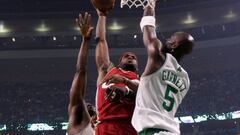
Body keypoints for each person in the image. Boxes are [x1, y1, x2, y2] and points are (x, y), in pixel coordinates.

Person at [131, 5, 195, 135]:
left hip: (152, 130)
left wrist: (150, 4)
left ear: (174, 45)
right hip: (172, 131)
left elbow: (148, 26)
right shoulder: (185, 79)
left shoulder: (158, 58)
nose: (167, 39)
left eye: (171, 38)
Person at [94, 8, 139, 135]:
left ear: (137, 66)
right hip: (104, 126)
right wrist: (102, 16)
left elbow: (146, 94)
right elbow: (100, 41)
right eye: (127, 56)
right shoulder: (108, 71)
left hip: (129, 126)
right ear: (119, 62)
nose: (130, 57)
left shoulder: (141, 78)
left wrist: (126, 89)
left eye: (133, 57)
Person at [67, 12, 96, 135]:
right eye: (87, 105)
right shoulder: (78, 124)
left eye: (91, 106)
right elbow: (80, 71)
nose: (88, 105)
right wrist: (85, 40)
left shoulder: (105, 129)